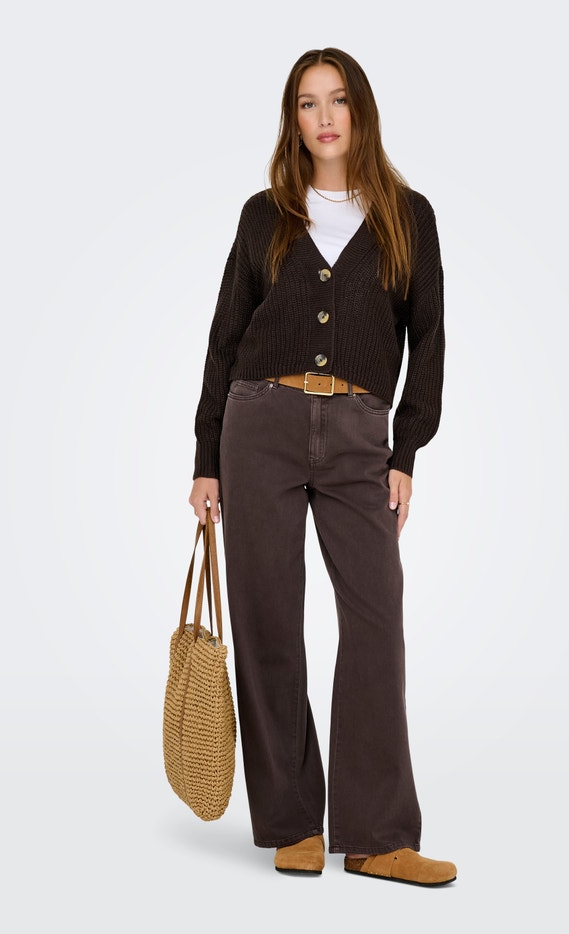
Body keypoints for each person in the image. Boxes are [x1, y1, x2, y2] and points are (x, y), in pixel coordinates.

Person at [188, 47, 456, 887]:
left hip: (359, 435)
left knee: (375, 621)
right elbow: (225, 338)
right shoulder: (263, 216)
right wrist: (206, 459)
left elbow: (429, 341)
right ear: (293, 120)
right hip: (258, 422)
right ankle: (292, 821)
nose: (325, 117)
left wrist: (406, 450)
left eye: (337, 100)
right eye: (308, 103)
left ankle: (378, 835)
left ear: (360, 110)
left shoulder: (408, 216)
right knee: (269, 620)